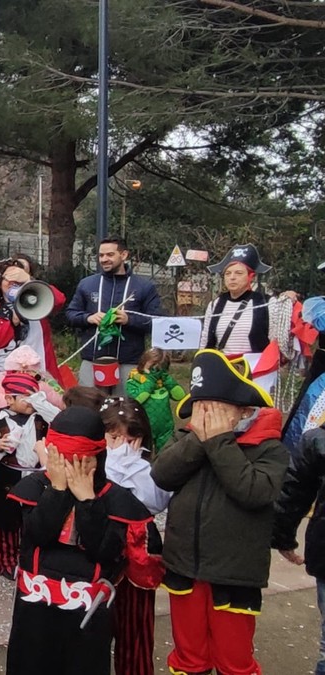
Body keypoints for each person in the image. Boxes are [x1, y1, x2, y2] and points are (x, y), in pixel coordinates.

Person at [151, 349, 288, 675]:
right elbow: (162, 474)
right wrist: (199, 439)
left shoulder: (269, 447)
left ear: (243, 410)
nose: (203, 416)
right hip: (185, 565)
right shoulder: (189, 436)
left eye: (213, 409)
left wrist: (219, 442)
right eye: (199, 408)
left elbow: (254, 491)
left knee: (234, 659)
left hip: (234, 573)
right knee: (189, 656)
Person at [5, 407, 153, 675]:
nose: (70, 466)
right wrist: (58, 491)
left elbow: (106, 552)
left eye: (79, 459)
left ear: (98, 457)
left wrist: (87, 501)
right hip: (35, 611)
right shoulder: (36, 488)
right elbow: (36, 535)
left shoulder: (115, 499)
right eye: (61, 458)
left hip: (87, 614)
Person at [100, 396, 169, 675]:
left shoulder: (150, 469)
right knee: (95, 628)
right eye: (114, 437)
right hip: (99, 550)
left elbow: (155, 502)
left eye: (130, 440)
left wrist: (133, 468)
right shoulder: (90, 462)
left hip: (139, 555)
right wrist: (113, 465)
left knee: (136, 631)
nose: (122, 446)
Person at [66, 237, 164, 394]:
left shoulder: (144, 286)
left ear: (124, 255)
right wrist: (88, 318)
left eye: (110, 255)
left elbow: (157, 321)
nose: (104, 259)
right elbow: (71, 314)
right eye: (101, 256)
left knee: (124, 411)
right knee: (89, 409)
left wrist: (129, 320)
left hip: (128, 362)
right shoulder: (87, 284)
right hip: (93, 361)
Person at [199, 244, 298, 392]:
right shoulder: (215, 305)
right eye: (228, 273)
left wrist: (288, 300)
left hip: (256, 370)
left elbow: (274, 339)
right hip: (223, 369)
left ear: (251, 276)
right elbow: (205, 340)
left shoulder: (266, 302)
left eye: (238, 273)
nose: (232, 277)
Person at [0, 372, 48, 578]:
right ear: (10, 399)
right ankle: (6, 562)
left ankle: (30, 561)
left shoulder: (42, 418)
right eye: (25, 398)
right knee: (7, 520)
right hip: (9, 474)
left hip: (36, 475)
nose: (30, 403)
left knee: (34, 519)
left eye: (33, 397)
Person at [272, 427, 325, 675]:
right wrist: (283, 537)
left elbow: (294, 490)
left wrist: (283, 538)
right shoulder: (317, 440)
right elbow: (295, 489)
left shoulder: (318, 439)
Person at [0, 258, 66, 380]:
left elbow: (59, 300)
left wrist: (30, 281)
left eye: (19, 277)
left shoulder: (38, 303)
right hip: (7, 380)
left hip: (42, 374)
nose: (15, 281)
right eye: (9, 276)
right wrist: (12, 323)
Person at [125, 348, 187, 451]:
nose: (156, 371)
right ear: (144, 363)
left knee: (165, 452)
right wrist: (150, 382)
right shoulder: (134, 379)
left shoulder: (163, 381)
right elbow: (137, 400)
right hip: (143, 426)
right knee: (142, 453)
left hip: (165, 426)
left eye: (160, 368)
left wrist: (167, 380)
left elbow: (179, 396)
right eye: (152, 367)